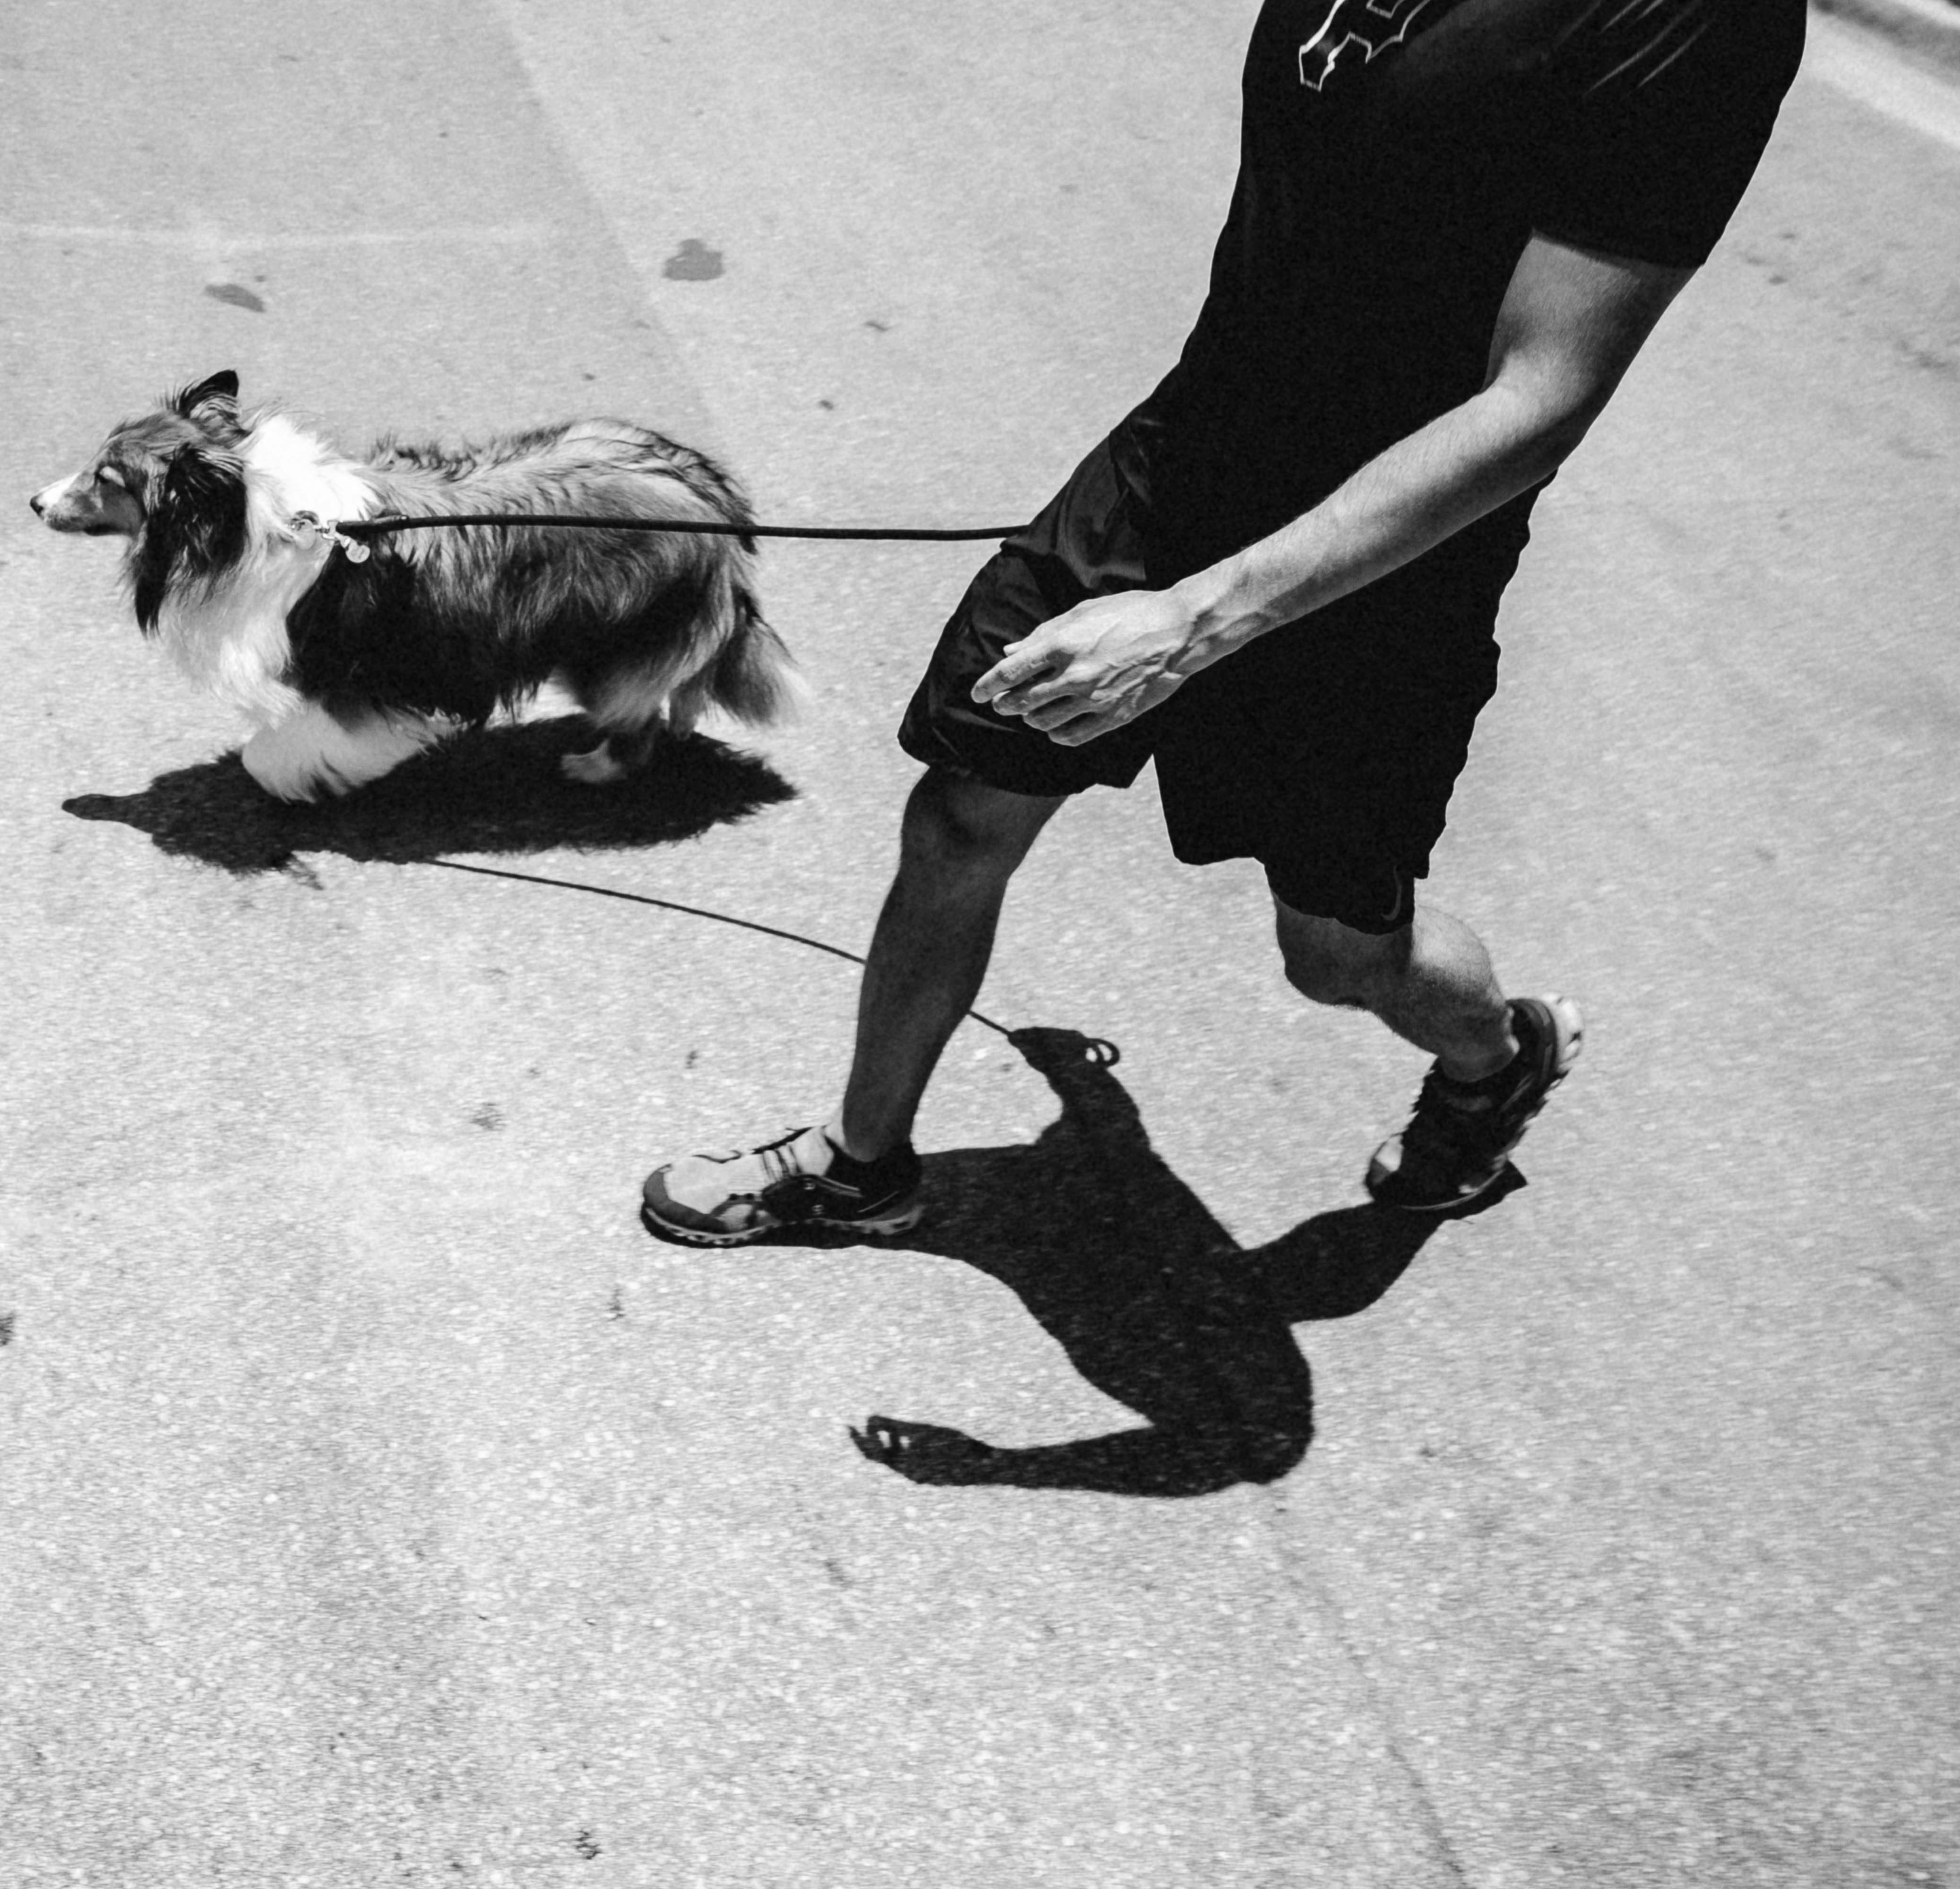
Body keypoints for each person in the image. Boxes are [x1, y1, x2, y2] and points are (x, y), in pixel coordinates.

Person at [645, 0, 1806, 1244]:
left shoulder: (1694, 22)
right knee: (962, 809)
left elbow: (1542, 399)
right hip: (1182, 457)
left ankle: (1495, 1055)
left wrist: (1193, 621)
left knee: (1338, 956)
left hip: (1381, 574)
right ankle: (858, 1168)